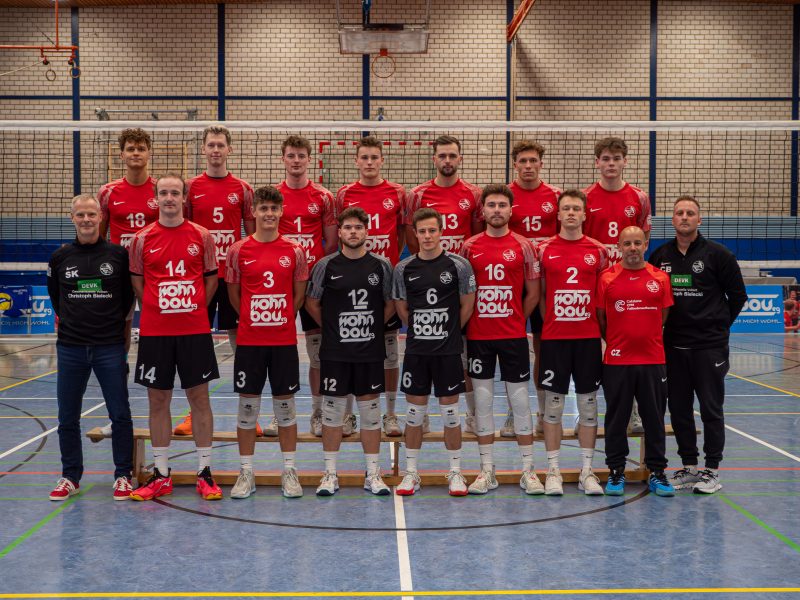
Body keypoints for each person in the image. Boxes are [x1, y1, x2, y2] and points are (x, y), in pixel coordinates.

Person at [128, 173, 222, 501]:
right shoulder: (141, 239)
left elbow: (211, 279)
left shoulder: (202, 236)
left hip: (194, 330)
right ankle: (161, 474)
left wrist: (194, 307)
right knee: (158, 400)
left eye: (175, 193)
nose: (169, 198)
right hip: (156, 332)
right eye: (164, 193)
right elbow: (137, 281)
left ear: (184, 198)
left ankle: (204, 473)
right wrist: (155, 307)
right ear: (156, 199)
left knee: (200, 398)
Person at [649, 196, 747, 493]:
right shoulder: (661, 255)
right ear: (672, 220)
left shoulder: (719, 254)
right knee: (679, 409)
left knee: (710, 409)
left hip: (709, 347)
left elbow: (738, 296)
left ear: (699, 220)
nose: (684, 217)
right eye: (679, 213)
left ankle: (712, 470)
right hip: (674, 346)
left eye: (690, 213)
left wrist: (718, 326)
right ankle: (690, 467)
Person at [46, 194, 135, 501]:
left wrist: (116, 332)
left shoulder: (118, 255)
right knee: (67, 417)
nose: (86, 220)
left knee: (120, 414)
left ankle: (123, 475)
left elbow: (127, 299)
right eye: (80, 215)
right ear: (72, 218)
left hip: (109, 346)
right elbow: (56, 298)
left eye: (91, 214)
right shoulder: (60, 257)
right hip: (71, 347)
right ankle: (70, 476)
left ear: (101, 217)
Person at [305, 207, 395, 496]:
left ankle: (373, 474)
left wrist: (373, 327)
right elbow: (311, 302)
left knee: (370, 415)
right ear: (340, 232)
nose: (353, 232)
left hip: (369, 353)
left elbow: (390, 303)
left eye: (358, 227)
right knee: (332, 416)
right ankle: (330, 474)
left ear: (366, 231)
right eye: (347, 227)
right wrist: (332, 327)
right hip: (336, 354)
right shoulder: (325, 265)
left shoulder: (381, 265)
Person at [225, 186, 308, 498]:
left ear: (281, 211)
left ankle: (289, 470)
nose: (269, 214)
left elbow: (298, 296)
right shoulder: (238, 250)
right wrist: (253, 317)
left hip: (283, 342)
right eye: (263, 208)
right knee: (247, 408)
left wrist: (281, 317)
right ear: (254, 212)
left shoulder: (294, 250)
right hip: (250, 342)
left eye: (274, 208)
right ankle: (246, 472)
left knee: (285, 409)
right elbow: (234, 295)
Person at [460, 184, 541, 494]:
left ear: (511, 210)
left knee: (520, 402)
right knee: (482, 403)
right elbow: (464, 293)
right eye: (491, 205)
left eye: (502, 205)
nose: (496, 210)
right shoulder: (469, 247)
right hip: (479, 336)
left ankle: (528, 470)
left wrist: (516, 319)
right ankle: (486, 470)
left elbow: (533, 293)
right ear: (483, 211)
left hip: (512, 336)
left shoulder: (524, 246)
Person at [177, 125, 256, 437]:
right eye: (211, 145)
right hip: (201, 277)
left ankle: (248, 414)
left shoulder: (243, 189)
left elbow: (252, 237)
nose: (215, 150)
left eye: (220, 145)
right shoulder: (190, 187)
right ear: (203, 149)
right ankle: (192, 414)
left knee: (243, 346)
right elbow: (182, 229)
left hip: (233, 278)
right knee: (196, 345)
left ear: (229, 150)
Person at [393, 207, 476, 496]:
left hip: (448, 352)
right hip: (417, 352)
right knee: (414, 415)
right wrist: (423, 330)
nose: (427, 236)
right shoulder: (404, 268)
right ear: (415, 235)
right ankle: (411, 473)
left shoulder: (459, 265)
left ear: (441, 232)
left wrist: (448, 330)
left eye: (432, 230)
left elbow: (467, 304)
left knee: (451, 414)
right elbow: (402, 309)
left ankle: (455, 472)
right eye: (422, 231)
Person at [405, 135, 483, 435]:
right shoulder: (418, 194)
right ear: (434, 159)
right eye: (442, 155)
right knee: (422, 352)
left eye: (452, 155)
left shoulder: (473, 194)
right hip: (427, 280)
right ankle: (421, 415)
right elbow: (412, 239)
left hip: (458, 281)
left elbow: (475, 238)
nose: (447, 160)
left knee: (463, 356)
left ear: (459, 158)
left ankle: (473, 414)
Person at [535, 190, 607, 496]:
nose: (571, 213)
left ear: (585, 214)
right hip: (555, 339)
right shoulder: (543, 250)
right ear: (558, 214)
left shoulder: (598, 251)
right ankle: (553, 470)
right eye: (566, 208)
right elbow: (540, 295)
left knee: (588, 406)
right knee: (552, 407)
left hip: (588, 339)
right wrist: (552, 323)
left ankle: (587, 471)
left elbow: (602, 297)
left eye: (577, 208)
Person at [335, 136, 406, 437]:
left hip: (384, 280)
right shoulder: (345, 193)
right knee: (351, 348)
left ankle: (390, 413)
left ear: (382, 160)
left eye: (374, 157)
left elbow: (402, 233)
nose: (369, 162)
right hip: (352, 278)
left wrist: (387, 263)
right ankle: (348, 415)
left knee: (389, 352)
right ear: (356, 161)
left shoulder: (397, 192)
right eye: (364, 157)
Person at [596, 226, 675, 497]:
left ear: (645, 245)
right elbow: (601, 319)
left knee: (654, 419)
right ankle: (616, 471)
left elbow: (663, 315)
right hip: (617, 361)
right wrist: (619, 341)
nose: (632, 248)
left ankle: (657, 472)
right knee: (616, 419)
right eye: (627, 243)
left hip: (653, 359)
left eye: (637, 243)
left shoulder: (660, 278)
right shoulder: (607, 278)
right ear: (619, 246)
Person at [584, 136, 651, 434]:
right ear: (597, 163)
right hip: (596, 284)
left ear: (625, 162)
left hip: (628, 284)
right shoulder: (585, 197)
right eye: (606, 159)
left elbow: (643, 239)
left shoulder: (639, 197)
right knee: (599, 351)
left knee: (631, 349)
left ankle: (634, 412)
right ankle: (593, 412)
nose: (611, 164)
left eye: (616, 159)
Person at [96, 128, 158, 436]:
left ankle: (162, 413)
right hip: (118, 273)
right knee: (118, 340)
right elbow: (99, 236)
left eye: (141, 148)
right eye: (130, 149)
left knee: (159, 340)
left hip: (155, 273)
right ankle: (118, 415)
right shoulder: (108, 192)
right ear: (121, 154)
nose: (136, 153)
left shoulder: (161, 189)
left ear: (149, 153)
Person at [276, 135, 338, 437]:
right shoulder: (275, 196)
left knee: (318, 354)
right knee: (280, 351)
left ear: (309, 159)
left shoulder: (323, 197)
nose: (296, 160)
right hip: (282, 284)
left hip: (314, 284)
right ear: (283, 159)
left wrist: (318, 274)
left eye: (301, 155)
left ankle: (318, 412)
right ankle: (281, 414)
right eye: (291, 155)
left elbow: (331, 242)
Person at [507, 140, 562, 438]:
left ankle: (542, 412)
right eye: (523, 161)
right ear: (515, 164)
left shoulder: (555, 196)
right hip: (511, 281)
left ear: (541, 163)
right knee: (510, 347)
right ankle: (512, 412)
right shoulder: (505, 196)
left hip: (546, 282)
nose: (528, 166)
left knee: (543, 346)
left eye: (533, 161)